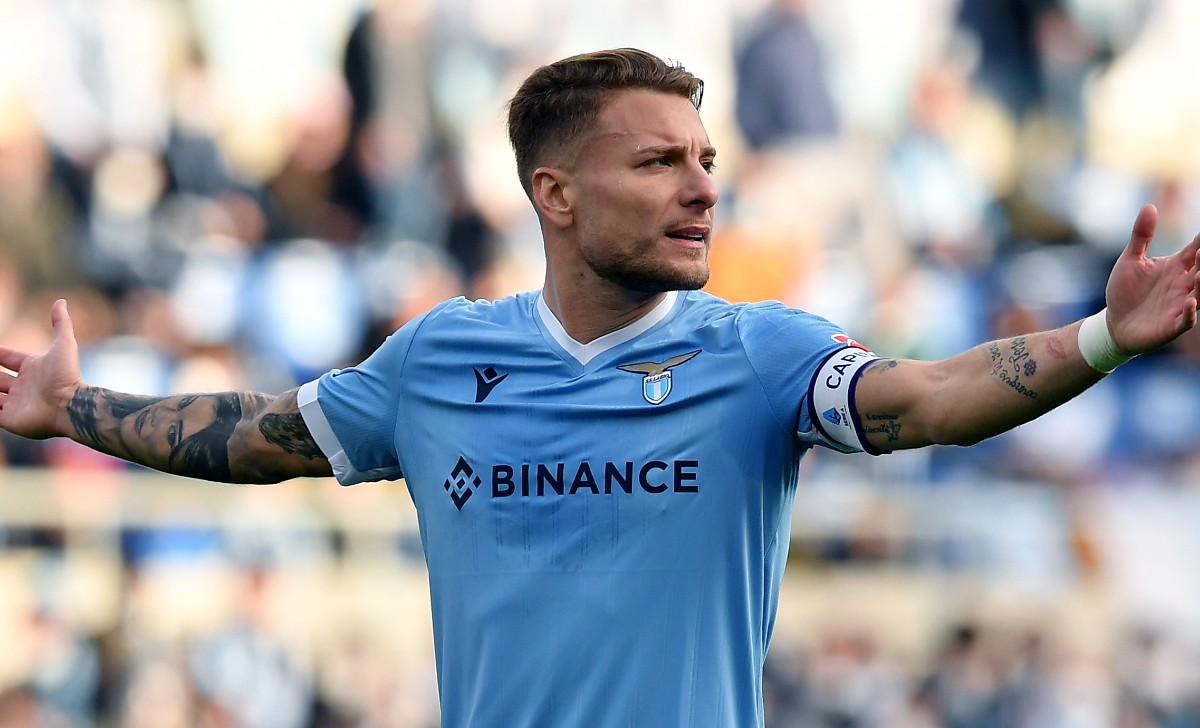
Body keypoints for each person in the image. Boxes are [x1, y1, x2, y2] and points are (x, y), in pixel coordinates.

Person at [0, 48, 1196, 727]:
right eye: (660, 161)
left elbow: (929, 396)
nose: (703, 188)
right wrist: (74, 408)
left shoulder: (760, 353)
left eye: (706, 161)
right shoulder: (439, 359)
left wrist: (1104, 337)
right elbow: (262, 433)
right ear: (556, 194)